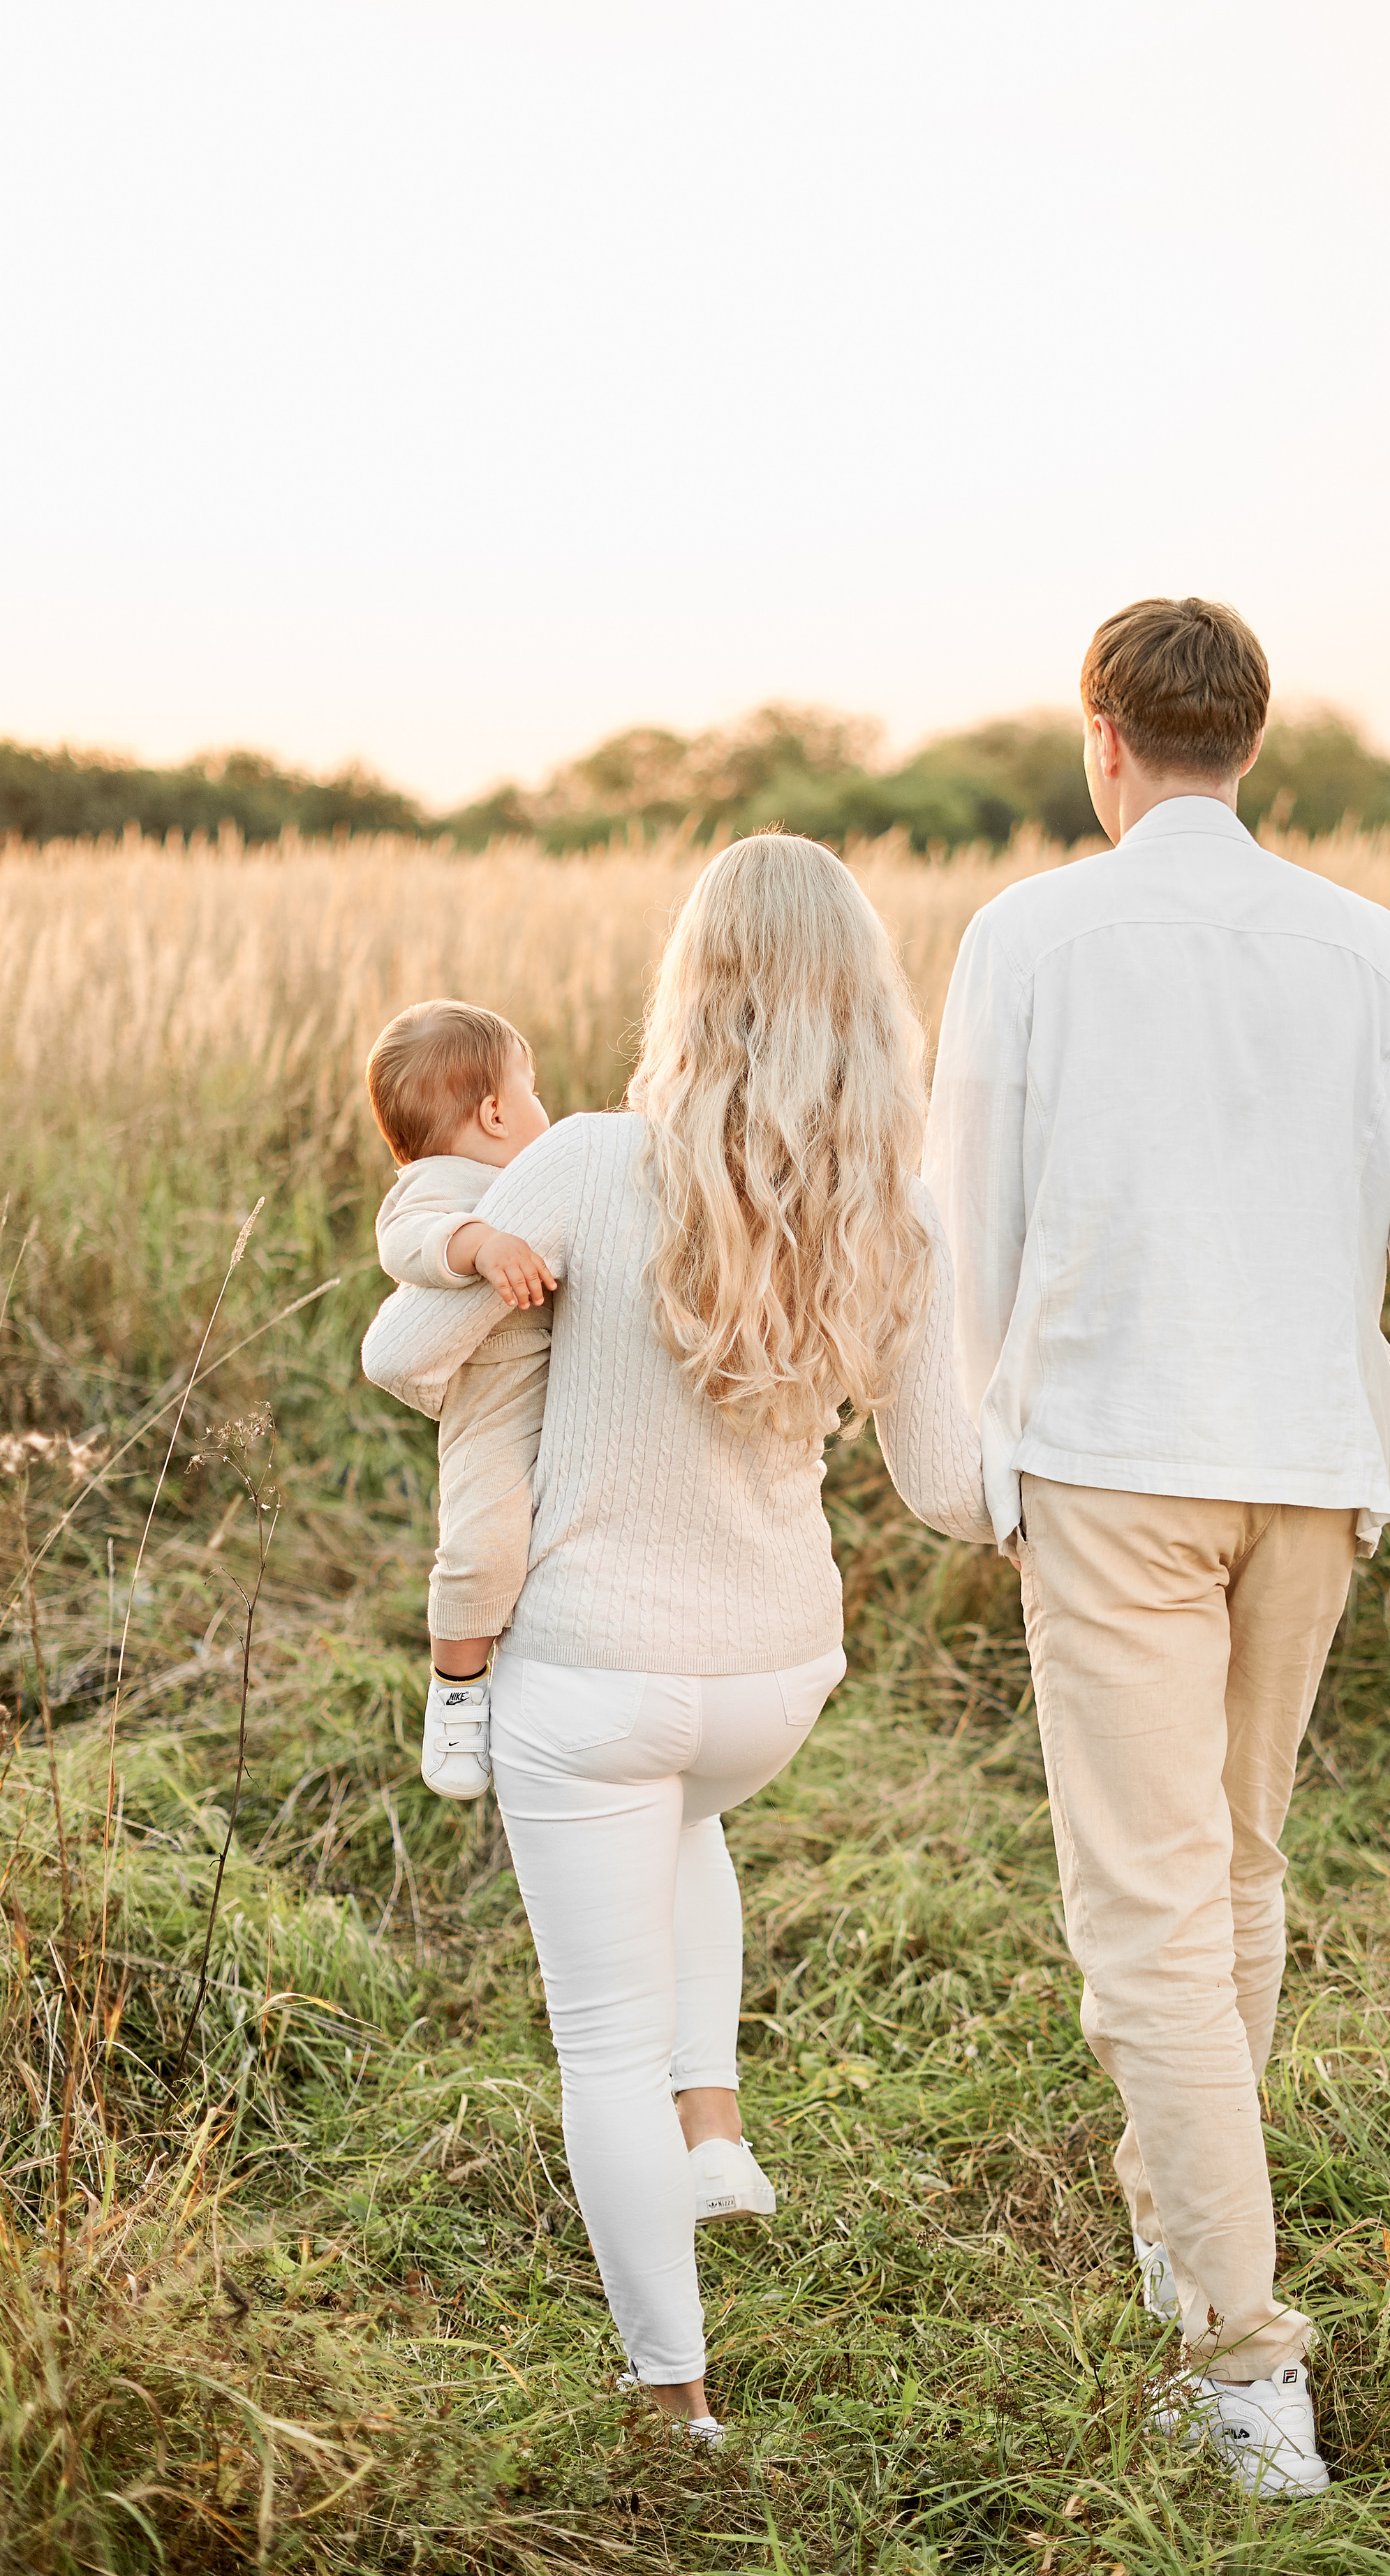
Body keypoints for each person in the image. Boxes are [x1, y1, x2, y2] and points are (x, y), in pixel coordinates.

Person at [922, 598, 1390, 2498]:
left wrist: (975, 1473)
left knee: (1150, 1911)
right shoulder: (1373, 950)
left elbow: (972, 1226)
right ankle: (1200, 2236)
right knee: (1234, 1867)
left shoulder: (1028, 934)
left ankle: (1245, 2357)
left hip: (1118, 1457)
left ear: (1103, 735)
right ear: (1246, 742)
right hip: (1316, 1471)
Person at [362, 834, 991, 2443]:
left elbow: (402, 1352)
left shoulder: (581, 1159)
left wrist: (487, 1266)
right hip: (771, 1679)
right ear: (860, 1000)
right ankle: (714, 2125)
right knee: (686, 1811)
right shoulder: (898, 1205)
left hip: (589, 1674)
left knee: (596, 2044)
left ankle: (671, 2397)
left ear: (687, 983)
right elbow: (943, 1491)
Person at [365, 1000, 562, 1799]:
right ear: (492, 1112)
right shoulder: (439, 1184)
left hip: (559, 1386)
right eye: (533, 1089)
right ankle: (456, 1692)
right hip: (494, 1396)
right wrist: (479, 1245)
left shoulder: (538, 1175)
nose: (543, 1107)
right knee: (482, 1542)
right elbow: (403, 1240)